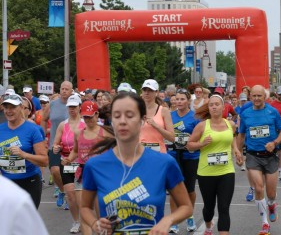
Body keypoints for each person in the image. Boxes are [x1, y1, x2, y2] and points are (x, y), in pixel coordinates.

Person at [81, 92, 193, 234]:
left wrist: (168, 220)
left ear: (142, 120)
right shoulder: (95, 165)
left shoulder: (165, 163)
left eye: (129, 115)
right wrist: (94, 223)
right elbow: (85, 207)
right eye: (116, 116)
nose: (122, 121)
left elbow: (186, 206)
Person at [187, 94, 242, 235]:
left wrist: (236, 151)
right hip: (206, 173)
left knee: (224, 208)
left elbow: (232, 139)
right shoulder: (201, 126)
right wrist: (201, 143)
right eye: (211, 104)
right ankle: (208, 226)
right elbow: (189, 146)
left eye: (217, 104)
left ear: (224, 107)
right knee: (209, 208)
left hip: (226, 171)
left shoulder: (230, 124)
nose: (214, 107)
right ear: (209, 108)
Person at [237, 85, 281, 235]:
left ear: (265, 97)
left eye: (260, 96)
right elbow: (241, 135)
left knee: (270, 194)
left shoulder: (272, 112)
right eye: (254, 96)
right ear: (250, 97)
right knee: (259, 188)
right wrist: (239, 153)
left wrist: (274, 143)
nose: (257, 99)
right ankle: (265, 223)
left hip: (271, 157)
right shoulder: (245, 114)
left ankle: (271, 204)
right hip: (253, 156)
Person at [62, 100, 113, 235]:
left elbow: (117, 151)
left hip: (100, 175)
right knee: (85, 213)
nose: (88, 119)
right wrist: (69, 159)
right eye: (85, 117)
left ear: (96, 115)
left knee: (102, 214)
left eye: (90, 116)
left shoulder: (105, 133)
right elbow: (75, 151)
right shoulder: (79, 133)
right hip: (82, 173)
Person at [0, 94, 48, 208]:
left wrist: (23, 154)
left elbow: (44, 161)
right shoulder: (1, 129)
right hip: (7, 183)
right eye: (6, 107)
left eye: (12, 107)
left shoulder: (32, 130)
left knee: (26, 223)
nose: (9, 111)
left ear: (21, 108)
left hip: (29, 182)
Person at [168, 89, 200, 233]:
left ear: (188, 101)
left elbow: (198, 136)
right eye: (177, 99)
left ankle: (189, 214)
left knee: (190, 189)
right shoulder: (170, 116)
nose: (179, 102)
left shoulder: (195, 117)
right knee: (174, 188)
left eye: (182, 99)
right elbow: (166, 134)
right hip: (174, 155)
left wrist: (189, 140)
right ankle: (174, 220)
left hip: (190, 156)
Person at [52, 94, 85, 233]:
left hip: (81, 163)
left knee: (81, 196)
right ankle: (76, 222)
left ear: (79, 107)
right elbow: (55, 143)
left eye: (74, 107)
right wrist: (56, 147)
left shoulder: (85, 124)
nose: (71, 109)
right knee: (70, 195)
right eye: (69, 107)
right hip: (65, 162)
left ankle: (86, 221)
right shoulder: (62, 125)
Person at [41, 81, 73, 205]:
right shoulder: (52, 104)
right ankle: (62, 191)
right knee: (54, 170)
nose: (64, 91)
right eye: (62, 88)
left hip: (70, 147)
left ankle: (70, 195)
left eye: (67, 89)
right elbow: (44, 119)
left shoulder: (74, 105)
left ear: (71, 91)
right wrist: (42, 136)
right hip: (54, 144)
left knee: (69, 172)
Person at [140, 79, 175, 153]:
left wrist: (156, 126)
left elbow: (172, 138)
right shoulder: (136, 110)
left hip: (159, 154)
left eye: (150, 90)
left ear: (156, 93)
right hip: (140, 154)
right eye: (144, 90)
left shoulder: (164, 111)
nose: (146, 93)